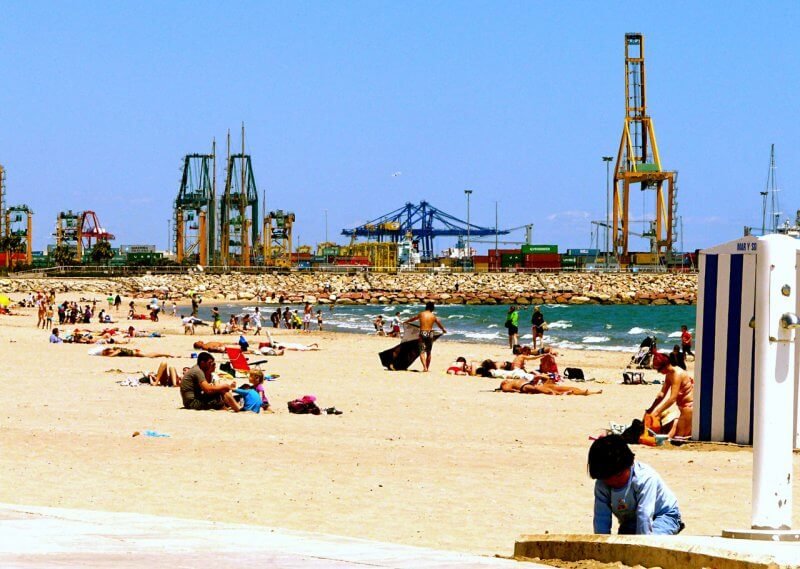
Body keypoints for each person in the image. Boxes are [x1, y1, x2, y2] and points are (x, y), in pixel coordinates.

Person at [588, 435, 683, 535]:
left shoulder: (644, 478)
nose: (614, 481)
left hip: (663, 515)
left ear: (630, 464)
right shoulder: (602, 484)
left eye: (618, 475)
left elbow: (644, 515)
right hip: (631, 521)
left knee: (652, 545)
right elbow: (601, 518)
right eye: (607, 478)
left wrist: (643, 547)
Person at [646, 352, 693, 438]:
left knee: (676, 437)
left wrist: (657, 412)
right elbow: (662, 394)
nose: (658, 372)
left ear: (666, 365)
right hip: (682, 408)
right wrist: (651, 409)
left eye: (659, 370)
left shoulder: (677, 374)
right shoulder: (669, 374)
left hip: (689, 408)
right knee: (667, 432)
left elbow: (672, 398)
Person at [403, 301, 447, 372]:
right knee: (429, 352)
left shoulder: (421, 314)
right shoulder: (433, 316)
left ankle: (424, 367)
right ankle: (427, 368)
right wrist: (443, 330)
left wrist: (406, 321)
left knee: (422, 351)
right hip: (430, 333)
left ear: (426, 307)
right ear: (432, 308)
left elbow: (413, 318)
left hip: (423, 332)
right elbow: (439, 324)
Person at [498, 377, 601, 395]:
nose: (505, 380)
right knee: (545, 390)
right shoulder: (505, 385)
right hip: (525, 387)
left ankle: (589, 392)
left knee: (557, 387)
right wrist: (517, 391)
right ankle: (561, 394)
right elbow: (508, 390)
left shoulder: (512, 381)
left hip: (528, 384)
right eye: (504, 381)